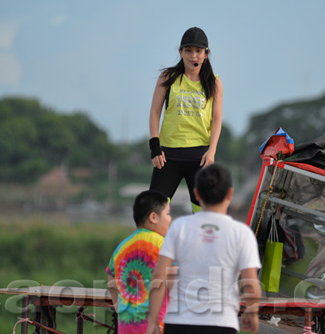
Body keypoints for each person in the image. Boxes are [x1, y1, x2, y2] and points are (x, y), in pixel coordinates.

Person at [146, 164, 262, 334]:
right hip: (222, 324)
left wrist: (153, 321)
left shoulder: (180, 227)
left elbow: (159, 276)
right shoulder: (242, 233)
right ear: (230, 193)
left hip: (178, 323)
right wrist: (252, 314)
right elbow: (251, 284)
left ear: (197, 194)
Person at [149, 26, 223, 213]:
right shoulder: (168, 78)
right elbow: (155, 111)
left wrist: (212, 151)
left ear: (206, 54)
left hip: (200, 158)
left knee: (204, 217)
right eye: (188, 50)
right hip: (168, 157)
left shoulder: (214, 83)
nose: (193, 56)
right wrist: (154, 146)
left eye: (198, 51)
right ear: (180, 52)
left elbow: (216, 119)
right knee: (153, 212)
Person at [106, 190, 172, 334]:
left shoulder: (122, 246)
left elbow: (110, 276)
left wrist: (118, 307)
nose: (170, 219)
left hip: (126, 326)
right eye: (167, 213)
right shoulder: (164, 246)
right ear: (153, 217)